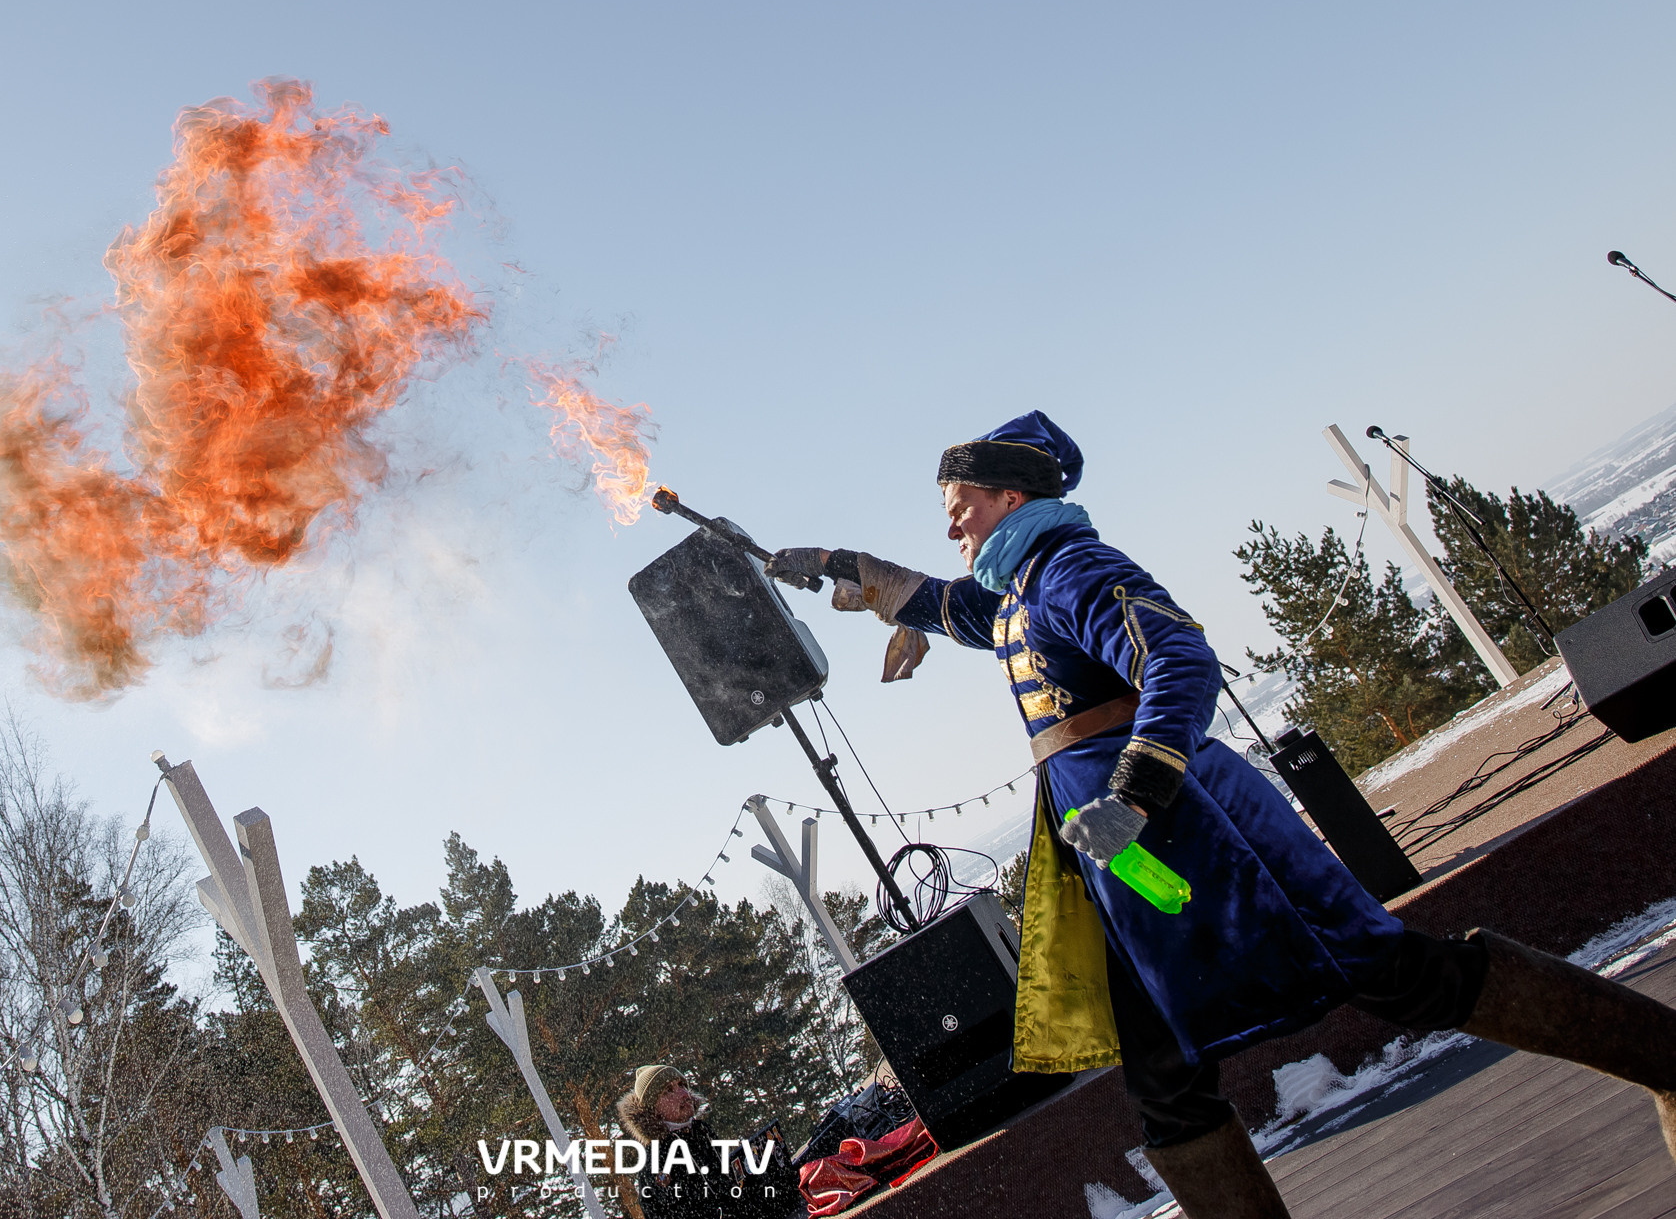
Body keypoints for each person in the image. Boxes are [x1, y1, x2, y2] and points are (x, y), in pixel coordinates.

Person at [765, 410, 1676, 1218]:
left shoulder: (1071, 568)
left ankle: (1667, 1060)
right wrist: (839, 567)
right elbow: (950, 607)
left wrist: (1133, 796)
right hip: (1128, 860)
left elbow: (1180, 662)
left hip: (1194, 833)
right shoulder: (1020, 588)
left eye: (958, 503)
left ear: (1009, 496)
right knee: (1163, 1073)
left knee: (1396, 976)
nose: (950, 522)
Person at [617, 1064, 800, 1219]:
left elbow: (728, 1188)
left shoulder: (702, 1130)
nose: (683, 1094)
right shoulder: (656, 1160)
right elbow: (688, 1211)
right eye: (668, 1091)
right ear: (653, 1110)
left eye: (681, 1085)